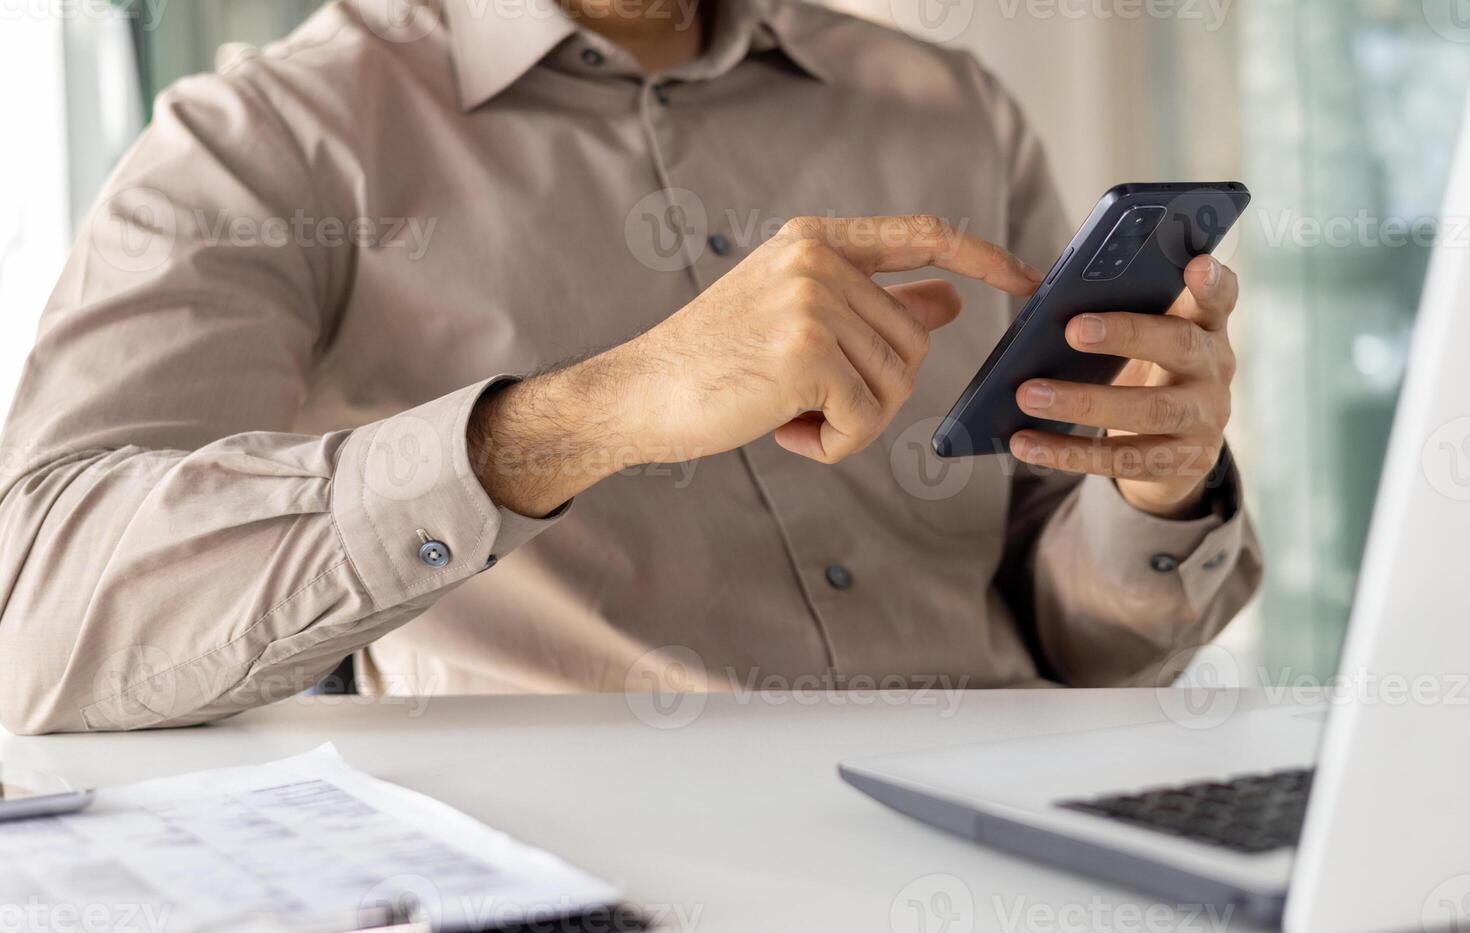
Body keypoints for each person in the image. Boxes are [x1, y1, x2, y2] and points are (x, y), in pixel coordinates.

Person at [0, 0, 1260, 734]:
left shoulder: (947, 105)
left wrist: (1153, 496)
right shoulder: (271, 140)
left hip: (1027, 852)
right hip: (610, 906)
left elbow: (1092, 649)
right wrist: (586, 416)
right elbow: (37, 623)